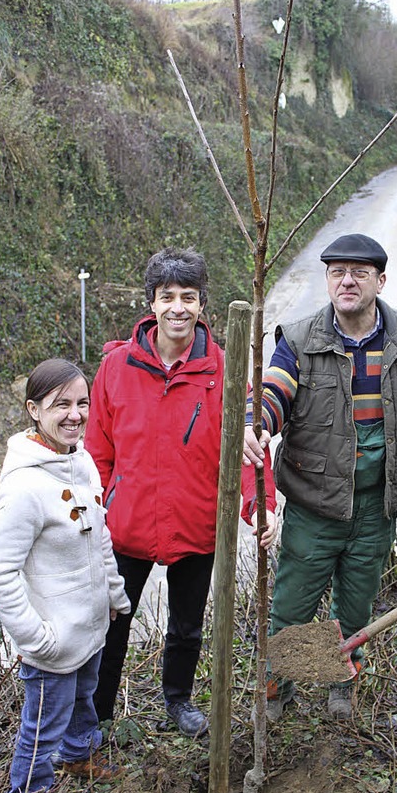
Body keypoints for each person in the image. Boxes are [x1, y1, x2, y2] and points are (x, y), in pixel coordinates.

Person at [243, 233, 397, 721]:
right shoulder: (300, 340)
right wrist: (256, 424)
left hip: (376, 506)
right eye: (337, 272)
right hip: (316, 504)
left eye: (359, 272)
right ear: (328, 280)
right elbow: (274, 391)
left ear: (380, 280)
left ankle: (342, 680)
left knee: (356, 607)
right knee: (291, 605)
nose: (347, 280)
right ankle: (277, 689)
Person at [84, 247, 277, 738]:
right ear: (151, 303)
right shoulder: (116, 368)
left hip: (195, 522)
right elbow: (97, 451)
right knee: (112, 624)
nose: (177, 307)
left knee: (187, 625)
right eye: (166, 296)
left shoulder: (225, 370)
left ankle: (179, 701)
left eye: (188, 297)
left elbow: (248, 448)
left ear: (202, 306)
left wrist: (260, 504)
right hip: (124, 526)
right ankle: (98, 714)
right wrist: (99, 507)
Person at [0, 359, 130, 793]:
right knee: (41, 727)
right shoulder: (22, 489)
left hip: (90, 627)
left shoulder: (83, 460)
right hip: (52, 641)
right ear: (33, 410)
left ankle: (78, 757)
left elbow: (101, 538)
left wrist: (114, 594)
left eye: (81, 403)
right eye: (60, 405)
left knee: (84, 701)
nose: (74, 415)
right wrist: (37, 639)